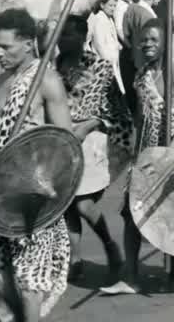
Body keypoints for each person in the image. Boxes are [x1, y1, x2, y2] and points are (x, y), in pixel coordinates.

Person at [0, 9, 74, 322]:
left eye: (6, 47)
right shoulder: (3, 78)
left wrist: (46, 183)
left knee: (31, 276)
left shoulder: (47, 81)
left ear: (29, 44)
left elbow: (66, 141)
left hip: (35, 190)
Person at [101, 19, 174, 296]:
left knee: (170, 215)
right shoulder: (140, 76)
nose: (148, 44)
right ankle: (131, 276)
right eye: (144, 40)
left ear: (165, 43)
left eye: (154, 39)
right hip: (144, 153)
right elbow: (141, 117)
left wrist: (170, 152)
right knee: (132, 213)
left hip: (172, 151)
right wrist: (136, 152)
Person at [55, 15, 129, 284]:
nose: (65, 40)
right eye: (62, 35)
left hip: (91, 140)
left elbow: (117, 109)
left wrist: (88, 125)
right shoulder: (54, 68)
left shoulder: (100, 67)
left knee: (83, 203)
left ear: (84, 36)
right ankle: (75, 258)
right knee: (67, 205)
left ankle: (110, 244)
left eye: (71, 34)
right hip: (61, 140)